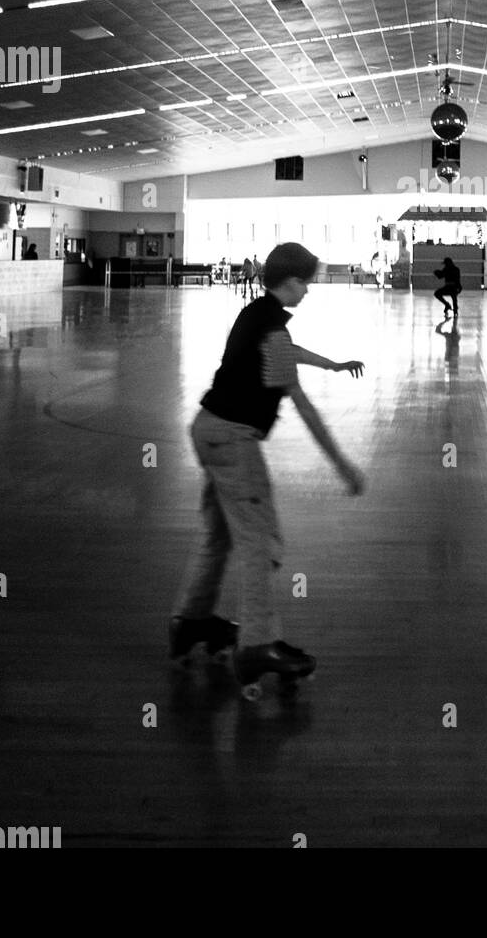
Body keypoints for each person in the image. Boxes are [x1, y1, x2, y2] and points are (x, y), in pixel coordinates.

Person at [170, 242, 366, 692]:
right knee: (260, 541)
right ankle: (257, 645)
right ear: (291, 281)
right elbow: (301, 403)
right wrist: (343, 466)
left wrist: (333, 365)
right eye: (307, 283)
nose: (308, 291)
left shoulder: (255, 313)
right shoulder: (272, 328)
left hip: (208, 429)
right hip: (233, 440)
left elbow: (285, 355)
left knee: (219, 536)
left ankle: (191, 621)